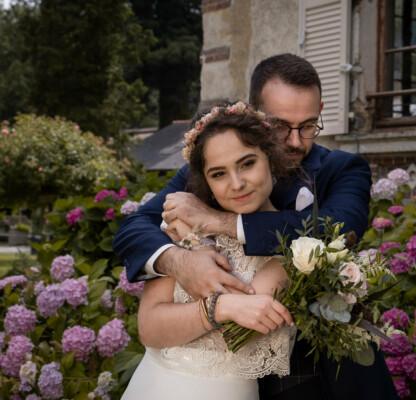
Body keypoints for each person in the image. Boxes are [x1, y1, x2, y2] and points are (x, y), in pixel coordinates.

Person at [113, 54, 396, 399]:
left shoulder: (344, 168)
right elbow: (136, 227)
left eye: (308, 125)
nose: (294, 141)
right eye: (280, 126)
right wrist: (180, 261)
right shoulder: (214, 165)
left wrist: (218, 221)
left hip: (327, 377)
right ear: (256, 116)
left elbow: (334, 231)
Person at [122, 103, 297, 400]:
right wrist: (222, 303)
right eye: (218, 174)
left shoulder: (292, 247)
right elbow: (150, 329)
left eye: (247, 164)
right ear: (205, 182)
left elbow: (238, 331)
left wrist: (200, 246)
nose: (237, 183)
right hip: (152, 387)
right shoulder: (184, 229)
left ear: (270, 157)